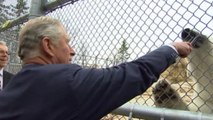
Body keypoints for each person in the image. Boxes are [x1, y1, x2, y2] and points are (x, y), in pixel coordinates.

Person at [0, 16, 192, 120]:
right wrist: (171, 49)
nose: (72, 51)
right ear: (48, 45)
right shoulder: (67, 82)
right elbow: (131, 74)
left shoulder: (10, 90)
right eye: (67, 43)